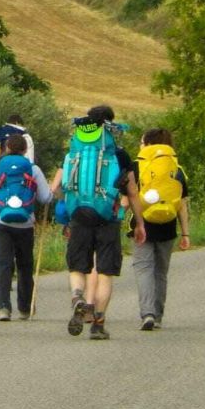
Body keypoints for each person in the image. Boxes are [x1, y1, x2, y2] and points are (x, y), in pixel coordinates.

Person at [50, 104, 145, 341]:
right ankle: (98, 324)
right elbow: (132, 192)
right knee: (104, 273)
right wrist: (139, 223)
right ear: (111, 125)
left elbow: (56, 188)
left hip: (78, 216)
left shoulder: (72, 152)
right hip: (108, 219)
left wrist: (68, 208)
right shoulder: (119, 154)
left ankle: (78, 298)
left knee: (76, 267)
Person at [0, 132, 52, 321]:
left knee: (3, 264)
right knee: (25, 265)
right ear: (25, 150)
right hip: (25, 223)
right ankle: (25, 307)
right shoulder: (33, 169)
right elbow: (45, 197)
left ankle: (3, 308)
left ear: (7, 148)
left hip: (2, 222)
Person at [130, 128, 191, 331]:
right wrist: (185, 233)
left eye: (142, 143)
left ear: (148, 145)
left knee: (143, 269)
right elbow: (182, 204)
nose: (140, 146)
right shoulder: (177, 169)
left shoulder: (137, 167)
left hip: (141, 226)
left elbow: (126, 198)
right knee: (161, 272)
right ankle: (157, 315)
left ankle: (147, 313)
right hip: (168, 226)